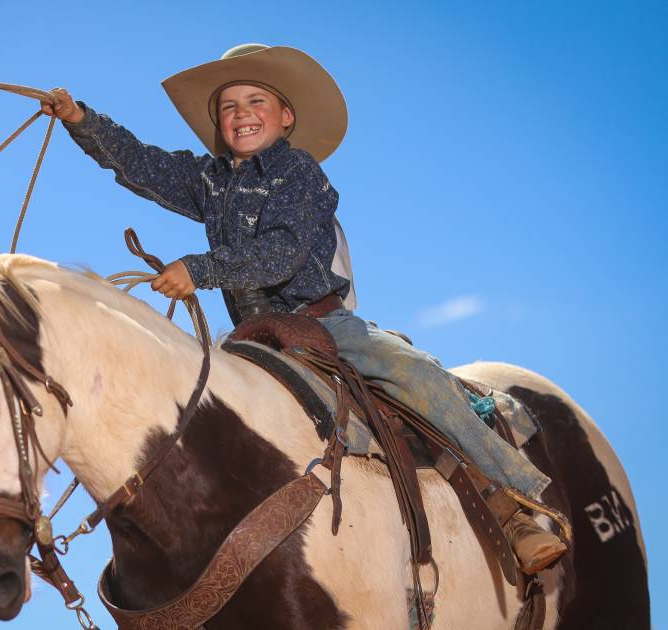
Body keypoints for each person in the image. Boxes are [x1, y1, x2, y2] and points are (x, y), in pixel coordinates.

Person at [42, 43, 566, 574]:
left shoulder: (299, 173)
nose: (241, 113)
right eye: (229, 106)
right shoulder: (210, 180)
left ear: (286, 117)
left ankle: (510, 500)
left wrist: (197, 270)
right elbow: (141, 163)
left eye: (256, 101)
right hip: (252, 339)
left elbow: (281, 252)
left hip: (324, 325)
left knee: (415, 375)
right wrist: (80, 119)